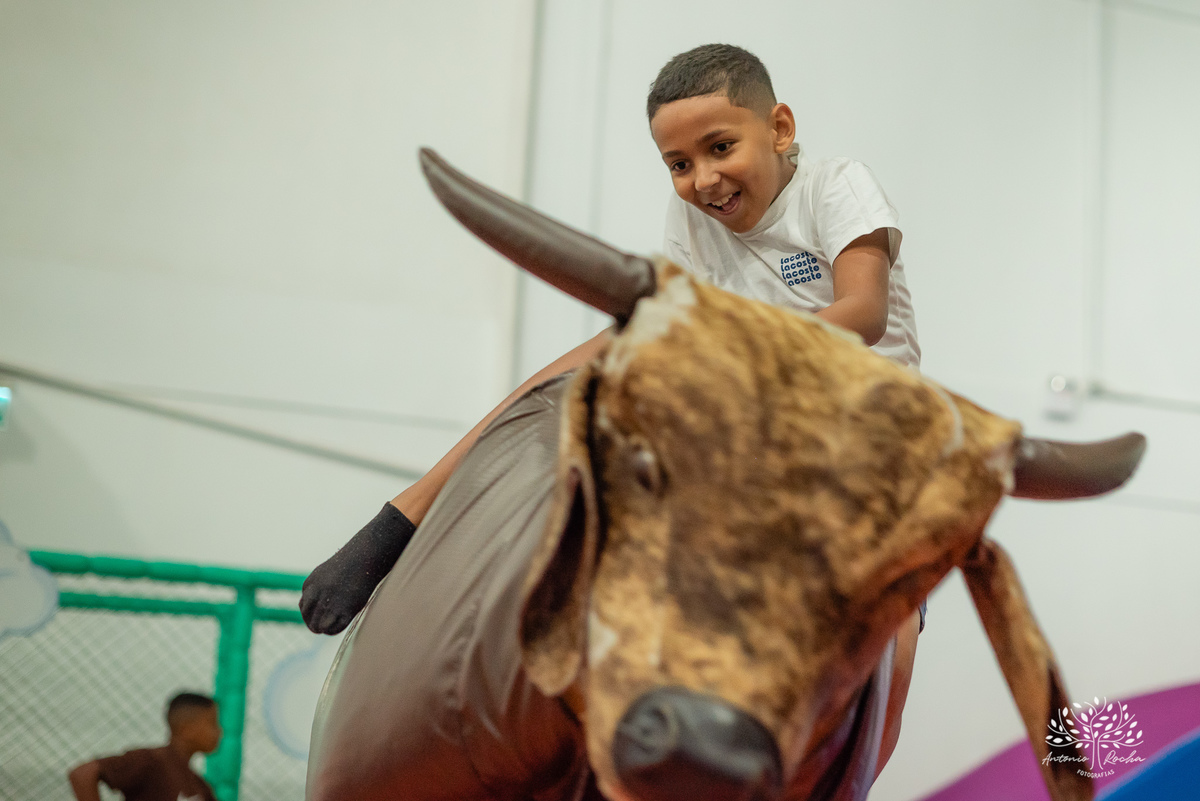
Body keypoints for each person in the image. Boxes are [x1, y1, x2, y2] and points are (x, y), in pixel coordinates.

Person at [304, 42, 923, 785]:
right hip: (751, 424)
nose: (703, 179)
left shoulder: (836, 186)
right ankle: (402, 518)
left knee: (881, 701)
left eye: (721, 148)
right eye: (678, 163)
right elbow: (643, 329)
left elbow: (861, 313)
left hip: (869, 441)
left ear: (780, 128)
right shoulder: (692, 219)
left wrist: (723, 346)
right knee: (583, 373)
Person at [67, 692, 221, 801]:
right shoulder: (151, 761)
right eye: (213, 724)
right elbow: (83, 774)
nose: (219, 732)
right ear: (187, 729)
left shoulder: (198, 785)